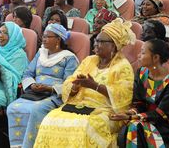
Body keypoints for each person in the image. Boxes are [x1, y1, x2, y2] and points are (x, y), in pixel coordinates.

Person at [34, 18, 135, 147]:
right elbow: (70, 81)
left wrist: (95, 86)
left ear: (114, 45)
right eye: (96, 41)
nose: (96, 44)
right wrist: (75, 86)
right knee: (50, 119)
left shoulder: (123, 66)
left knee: (85, 126)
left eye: (101, 41)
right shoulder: (89, 60)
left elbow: (123, 96)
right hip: (79, 105)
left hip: (105, 110)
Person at [7, 24, 79, 148]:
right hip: (35, 93)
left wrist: (49, 88)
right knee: (13, 107)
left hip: (54, 95)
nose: (44, 39)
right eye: (43, 36)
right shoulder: (41, 53)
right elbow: (27, 73)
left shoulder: (69, 58)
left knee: (36, 110)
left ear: (58, 39)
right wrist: (32, 84)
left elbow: (69, 83)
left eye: (48, 37)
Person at [113, 39, 169, 147]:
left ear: (155, 58)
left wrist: (132, 118)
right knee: (131, 127)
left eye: (143, 52)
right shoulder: (141, 73)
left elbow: (160, 114)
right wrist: (130, 113)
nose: (138, 55)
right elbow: (139, 103)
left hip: (165, 124)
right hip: (143, 119)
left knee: (135, 127)